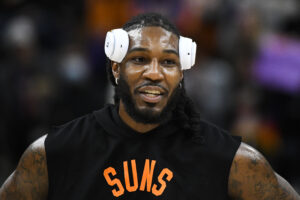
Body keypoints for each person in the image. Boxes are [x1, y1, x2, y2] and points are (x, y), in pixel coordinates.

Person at [0, 12, 299, 200]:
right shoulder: (54, 154)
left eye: (168, 62)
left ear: (181, 73)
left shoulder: (233, 162)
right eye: (140, 59)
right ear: (116, 68)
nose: (154, 73)